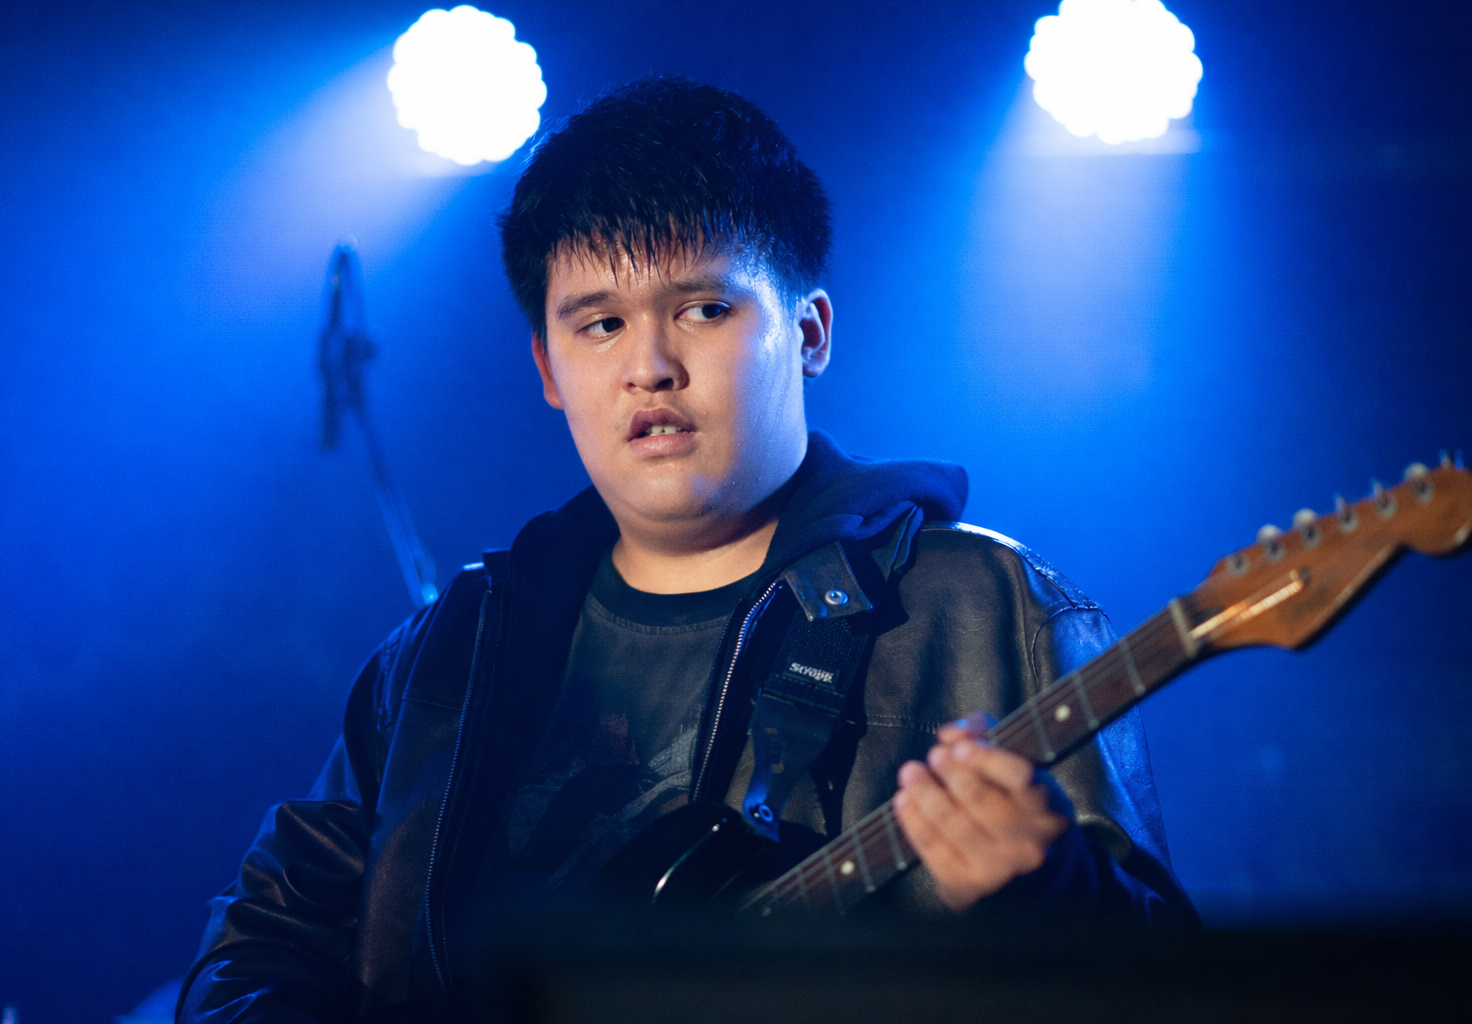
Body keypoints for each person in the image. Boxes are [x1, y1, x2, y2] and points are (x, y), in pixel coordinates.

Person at [178, 77, 1194, 1023]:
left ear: (810, 332)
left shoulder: (992, 607)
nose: (650, 367)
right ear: (547, 369)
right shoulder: (455, 647)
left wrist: (1057, 897)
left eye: (704, 309)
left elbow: (1177, 990)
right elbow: (260, 945)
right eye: (599, 325)